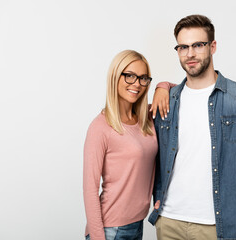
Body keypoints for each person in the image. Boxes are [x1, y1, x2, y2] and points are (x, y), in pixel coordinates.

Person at [148, 14, 236, 240]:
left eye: (198, 45)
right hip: (168, 221)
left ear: (213, 46)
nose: (190, 54)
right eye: (183, 47)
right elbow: (149, 154)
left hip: (216, 226)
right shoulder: (168, 100)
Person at [83, 50, 159, 240]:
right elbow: (90, 189)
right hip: (111, 229)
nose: (137, 84)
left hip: (137, 223)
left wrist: (162, 87)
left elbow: (182, 91)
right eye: (130, 76)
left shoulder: (147, 118)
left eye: (143, 78)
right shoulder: (100, 127)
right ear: (116, 76)